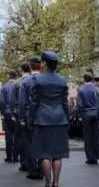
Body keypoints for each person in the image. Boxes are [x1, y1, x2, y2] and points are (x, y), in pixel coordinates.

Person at [29, 50, 69, 187]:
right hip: (59, 118)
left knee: (44, 153)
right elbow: (65, 102)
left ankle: (47, 182)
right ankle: (56, 182)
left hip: (42, 118)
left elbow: (33, 102)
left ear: (44, 63)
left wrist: (30, 120)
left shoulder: (37, 79)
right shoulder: (62, 80)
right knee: (57, 154)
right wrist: (67, 119)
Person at [18, 60, 43, 180]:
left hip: (29, 115)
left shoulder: (25, 81)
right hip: (44, 115)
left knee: (29, 143)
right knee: (43, 143)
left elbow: (22, 102)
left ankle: (33, 169)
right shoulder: (46, 80)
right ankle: (43, 168)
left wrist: (21, 118)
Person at [76, 72, 99, 165]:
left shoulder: (81, 89)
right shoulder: (97, 89)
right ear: (92, 79)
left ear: (84, 79)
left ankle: (90, 157)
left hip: (86, 114)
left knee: (87, 136)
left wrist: (81, 114)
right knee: (96, 136)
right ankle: (96, 156)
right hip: (95, 113)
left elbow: (79, 104)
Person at [10, 62, 31, 173]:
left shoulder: (17, 83)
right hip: (32, 113)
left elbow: (12, 100)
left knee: (21, 139)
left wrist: (13, 114)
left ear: (21, 69)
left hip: (19, 113)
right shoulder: (34, 80)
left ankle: (23, 162)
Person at [0, 70, 18, 163]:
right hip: (17, 112)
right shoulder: (19, 85)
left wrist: (2, 114)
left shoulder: (4, 87)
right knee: (17, 136)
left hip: (7, 112)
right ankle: (16, 156)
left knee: (8, 136)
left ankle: (9, 156)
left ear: (8, 76)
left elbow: (1, 101)